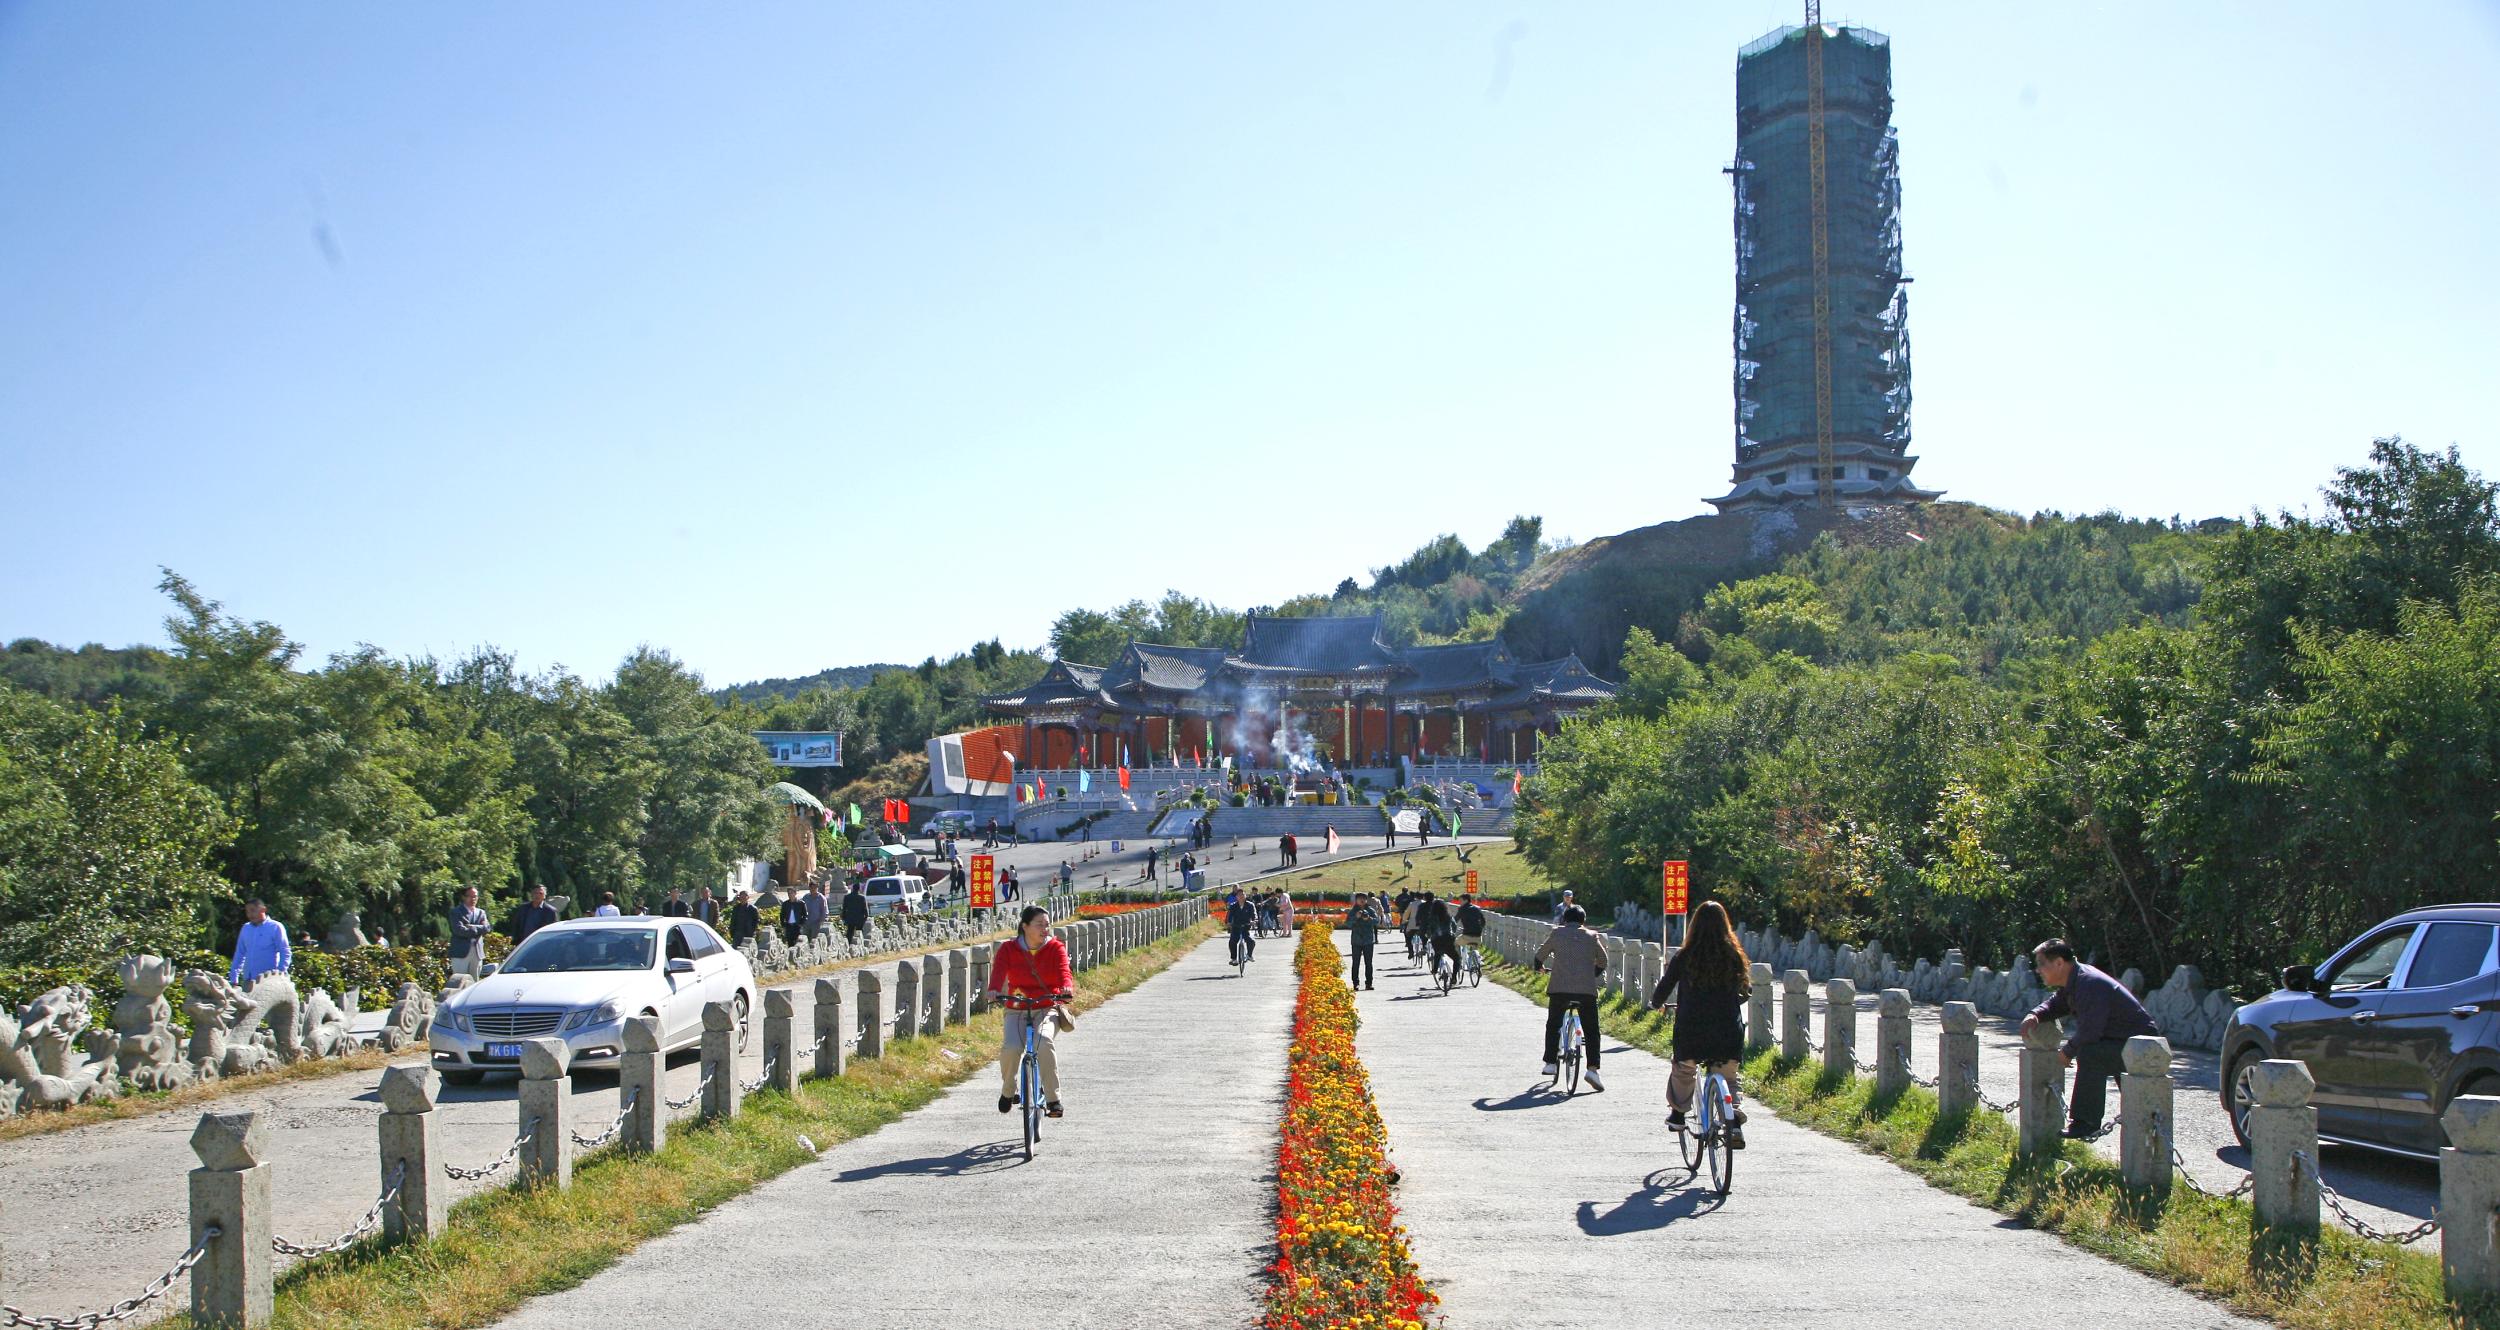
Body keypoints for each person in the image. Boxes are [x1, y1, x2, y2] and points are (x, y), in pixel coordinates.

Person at [2021, 938, 2162, 1138]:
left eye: (2041, 964)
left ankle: (2086, 1122)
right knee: (2139, 1107)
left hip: (2143, 1048)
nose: (2038, 970)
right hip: (2123, 1044)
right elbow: (2057, 1004)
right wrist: (2035, 1015)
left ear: (2059, 963)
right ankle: (2144, 1130)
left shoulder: (2088, 983)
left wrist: (2067, 1052)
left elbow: (2091, 1031)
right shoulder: (2076, 981)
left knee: (2090, 1054)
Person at [1649, 900, 1751, 1147]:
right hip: (1727, 1030)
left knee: (1684, 1069)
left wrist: (1656, 1003)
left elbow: (1665, 986)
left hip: (1692, 1029)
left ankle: (1678, 1114)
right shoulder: (1734, 956)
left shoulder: (1684, 956)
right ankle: (1733, 1120)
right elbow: (1746, 990)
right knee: (1728, 1076)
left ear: (1694, 926)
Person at [987, 905, 1075, 1119]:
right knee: (1011, 1048)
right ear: (1025, 926)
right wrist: (994, 989)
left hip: (1046, 1006)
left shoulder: (1055, 948)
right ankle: (1009, 1091)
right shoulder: (1008, 949)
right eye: (1039, 925)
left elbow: (1064, 971)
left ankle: (1053, 1100)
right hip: (1017, 1008)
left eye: (1047, 925)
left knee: (1042, 1042)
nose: (1045, 929)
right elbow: (998, 971)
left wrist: (1066, 987)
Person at [1532, 905, 1608, 1091]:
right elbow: (1603, 961)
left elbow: (1539, 956)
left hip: (1560, 990)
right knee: (1592, 1030)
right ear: (1584, 921)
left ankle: (1550, 1063)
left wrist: (1539, 967)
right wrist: (1592, 974)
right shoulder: (1592, 936)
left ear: (1564, 920)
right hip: (1586, 991)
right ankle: (1592, 1070)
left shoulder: (1557, 933)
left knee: (1554, 1024)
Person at [228, 898, 293, 988]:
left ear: (263, 910)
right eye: (247, 912)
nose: (250, 914)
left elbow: (285, 951)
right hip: (249, 979)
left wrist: (279, 974)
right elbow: (240, 953)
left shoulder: (275, 927)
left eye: (252, 910)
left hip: (268, 980)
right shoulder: (246, 928)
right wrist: (234, 977)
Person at [447, 886, 491, 981]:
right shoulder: (456, 912)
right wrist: (479, 928)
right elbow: (459, 930)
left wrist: (471, 927)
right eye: (470, 896)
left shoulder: (481, 913)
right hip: (460, 953)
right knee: (459, 981)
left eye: (475, 896)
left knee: (475, 982)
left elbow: (487, 928)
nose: (473, 899)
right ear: (464, 897)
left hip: (477, 953)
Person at [1416, 890, 1459, 982]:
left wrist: (1429, 936)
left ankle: (1435, 970)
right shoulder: (1448, 916)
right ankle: (1454, 977)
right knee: (1456, 958)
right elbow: (1454, 926)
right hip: (1448, 937)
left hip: (1436, 939)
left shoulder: (1431, 917)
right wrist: (1453, 933)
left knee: (1438, 953)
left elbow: (1429, 929)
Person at [1346, 892, 1381, 990]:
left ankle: (1369, 983)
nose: (1362, 900)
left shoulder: (1370, 910)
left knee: (1368, 963)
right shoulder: (1353, 911)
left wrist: (1368, 918)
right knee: (1355, 963)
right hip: (1356, 940)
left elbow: (1377, 921)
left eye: (1363, 899)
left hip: (1368, 940)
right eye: (1359, 899)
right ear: (1356, 900)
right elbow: (1348, 924)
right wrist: (1356, 917)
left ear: (1366, 900)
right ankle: (1355, 983)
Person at [1225, 888, 1259, 964]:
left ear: (1245, 895)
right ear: (1236, 897)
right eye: (1239, 895)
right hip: (1236, 927)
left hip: (1246, 927)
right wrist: (1229, 922)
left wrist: (1254, 921)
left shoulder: (1250, 905)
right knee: (1232, 942)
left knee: (1251, 941)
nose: (1241, 896)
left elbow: (1254, 915)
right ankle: (1234, 959)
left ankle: (1249, 955)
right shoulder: (1233, 906)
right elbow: (1230, 916)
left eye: (1242, 894)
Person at [1455, 893, 1487, 973]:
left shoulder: (1462, 909)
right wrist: (1479, 929)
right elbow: (1483, 921)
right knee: (1474, 947)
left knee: (1455, 943)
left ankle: (1459, 961)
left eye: (1461, 900)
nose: (1459, 902)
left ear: (1466, 900)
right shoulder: (1477, 909)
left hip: (1467, 935)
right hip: (1478, 936)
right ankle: (1476, 961)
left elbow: (1455, 920)